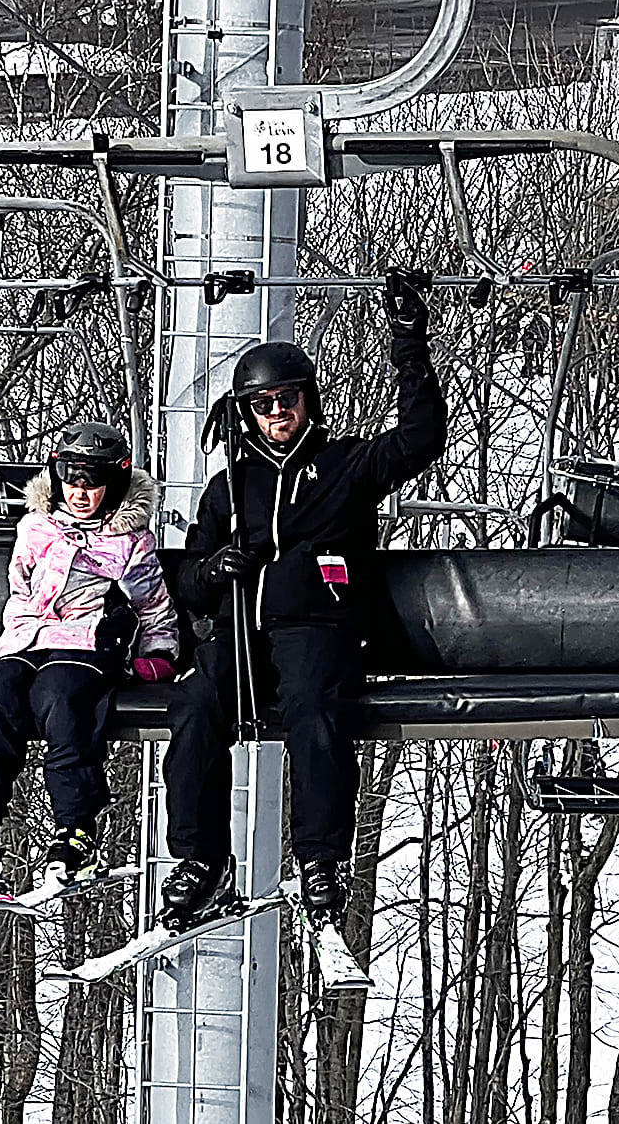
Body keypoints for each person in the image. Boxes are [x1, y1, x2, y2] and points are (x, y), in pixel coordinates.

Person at [159, 292, 448, 928]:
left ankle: (319, 856)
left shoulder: (344, 466)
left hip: (316, 626)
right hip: (240, 631)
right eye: (262, 404)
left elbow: (421, 437)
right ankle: (201, 857)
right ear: (246, 414)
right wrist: (213, 570)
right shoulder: (229, 489)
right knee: (197, 707)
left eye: (287, 398)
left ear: (307, 399)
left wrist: (408, 341)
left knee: (316, 711)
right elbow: (188, 583)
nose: (277, 413)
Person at [0, 422, 179, 886]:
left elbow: (152, 603)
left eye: (93, 480)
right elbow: (19, 594)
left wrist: (159, 652)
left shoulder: (130, 539)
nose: (80, 491)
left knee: (62, 700)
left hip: (87, 642)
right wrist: (4, 651)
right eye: (70, 477)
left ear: (115, 482)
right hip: (29, 640)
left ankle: (75, 830)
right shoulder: (36, 528)